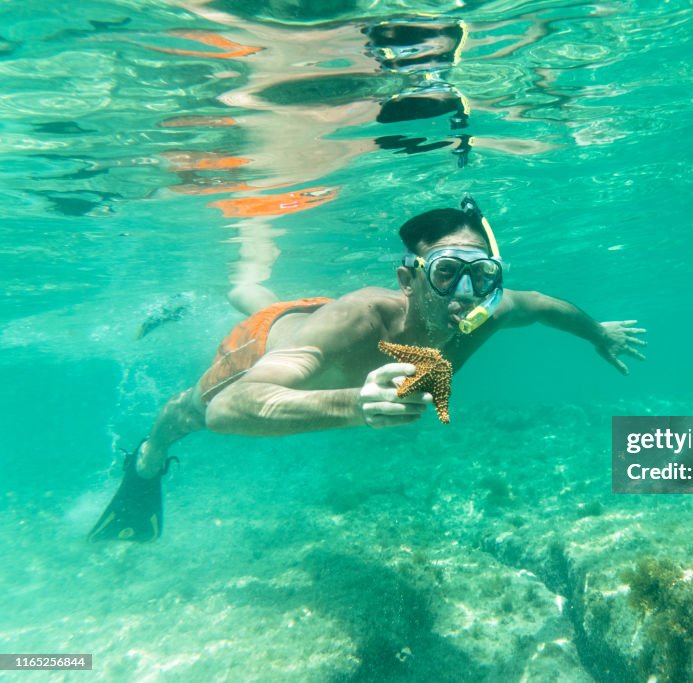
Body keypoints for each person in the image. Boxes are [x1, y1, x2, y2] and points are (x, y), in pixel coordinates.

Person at [89, 197, 647, 542]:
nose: (466, 294)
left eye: (482, 275)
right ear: (409, 281)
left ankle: (246, 282)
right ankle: (143, 466)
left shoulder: (486, 310)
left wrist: (597, 333)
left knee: (269, 296)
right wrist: (352, 404)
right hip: (264, 341)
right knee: (186, 409)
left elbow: (546, 304)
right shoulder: (362, 315)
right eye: (447, 272)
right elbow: (227, 409)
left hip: (309, 314)